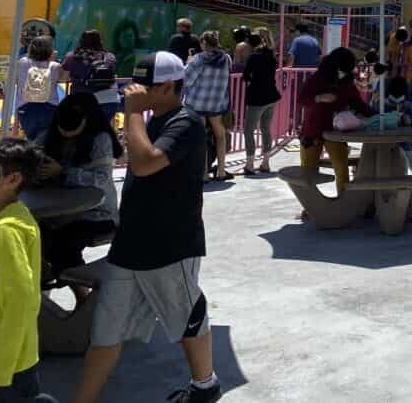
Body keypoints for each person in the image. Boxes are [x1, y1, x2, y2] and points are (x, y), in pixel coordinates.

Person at [73, 51, 220, 403]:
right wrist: (139, 117)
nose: (136, 91)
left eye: (145, 86)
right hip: (129, 246)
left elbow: (145, 164)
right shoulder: (153, 121)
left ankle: (205, 385)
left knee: (186, 318)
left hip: (170, 245)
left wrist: (134, 114)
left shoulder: (186, 123)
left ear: (169, 87)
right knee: (105, 333)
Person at [0, 138, 58, 403]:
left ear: (12, 180)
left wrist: (0, 373)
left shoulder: (8, 229)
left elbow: (22, 302)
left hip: (3, 366)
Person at [36, 93, 122, 284]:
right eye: (62, 128)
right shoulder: (51, 134)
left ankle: (81, 293)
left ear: (87, 121)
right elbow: (29, 150)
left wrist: (63, 172)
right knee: (35, 235)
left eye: (72, 128)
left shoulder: (100, 140)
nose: (65, 134)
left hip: (96, 213)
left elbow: (101, 179)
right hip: (57, 211)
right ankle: (43, 278)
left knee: (62, 244)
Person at [298, 48, 369, 198]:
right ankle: (309, 206)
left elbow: (358, 104)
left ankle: (343, 202)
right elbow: (302, 99)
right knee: (308, 170)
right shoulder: (318, 77)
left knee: (342, 169)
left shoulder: (347, 82)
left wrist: (378, 116)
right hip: (313, 130)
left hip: (336, 132)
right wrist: (319, 98)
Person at [184, 32, 232, 182]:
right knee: (220, 136)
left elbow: (187, 80)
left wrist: (188, 61)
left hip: (197, 102)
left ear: (203, 43)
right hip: (217, 102)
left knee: (201, 138)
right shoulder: (226, 58)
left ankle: (204, 174)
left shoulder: (198, 59)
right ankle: (221, 172)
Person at [241, 32, 280, 176]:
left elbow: (246, 76)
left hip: (257, 98)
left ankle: (250, 164)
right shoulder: (271, 56)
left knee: (248, 130)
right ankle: (265, 162)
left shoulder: (254, 57)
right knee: (265, 129)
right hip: (272, 95)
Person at [61, 30, 121, 122]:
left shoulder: (72, 57)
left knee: (83, 133)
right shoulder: (110, 57)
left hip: (82, 102)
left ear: (81, 41)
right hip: (109, 101)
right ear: (100, 41)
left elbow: (63, 77)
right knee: (101, 132)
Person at [14, 35, 61, 143]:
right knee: (43, 141)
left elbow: (16, 80)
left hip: (25, 106)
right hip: (48, 106)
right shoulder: (55, 66)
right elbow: (64, 78)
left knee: (31, 138)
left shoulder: (22, 62)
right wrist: (52, 59)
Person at [383, 76, 412, 172]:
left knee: (404, 164)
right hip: (405, 144)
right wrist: (410, 123)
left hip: (385, 145)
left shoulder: (381, 105)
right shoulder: (410, 106)